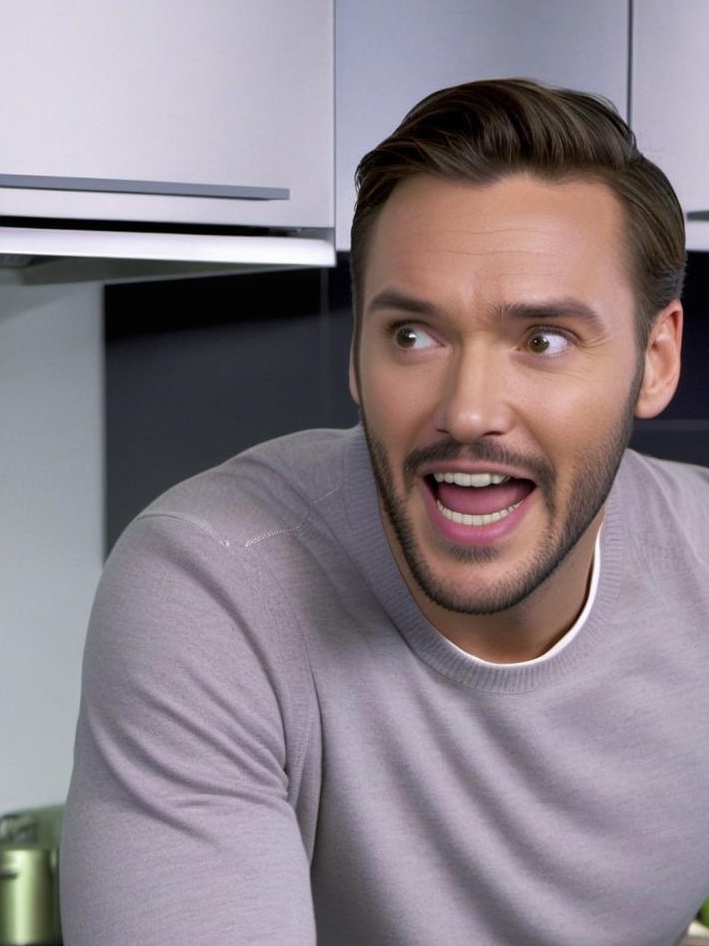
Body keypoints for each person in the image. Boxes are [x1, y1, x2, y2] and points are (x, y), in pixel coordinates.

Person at [60, 78, 709, 946]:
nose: (468, 409)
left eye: (542, 340)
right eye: (413, 335)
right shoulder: (214, 582)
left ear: (656, 358)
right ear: (359, 358)